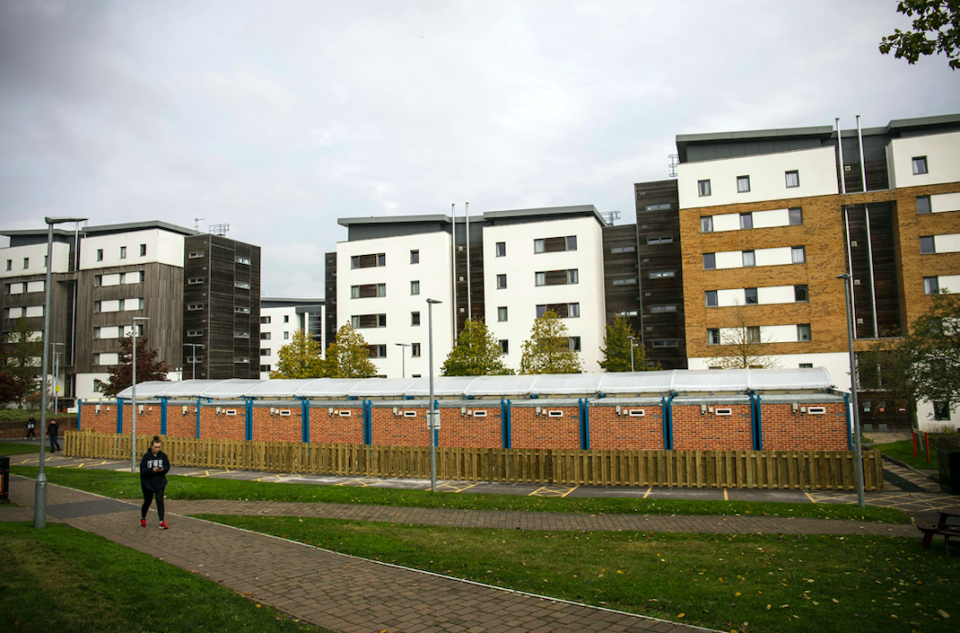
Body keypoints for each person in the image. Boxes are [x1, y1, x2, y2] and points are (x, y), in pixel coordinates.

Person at [139, 435, 171, 530]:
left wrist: (162, 469)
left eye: (159, 447)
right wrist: (151, 470)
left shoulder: (163, 456)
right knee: (147, 502)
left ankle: (161, 522)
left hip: (159, 483)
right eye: (155, 447)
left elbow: (167, 466)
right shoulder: (146, 457)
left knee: (159, 501)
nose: (157, 449)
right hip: (148, 484)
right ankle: (143, 518)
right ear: (151, 447)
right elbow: (142, 470)